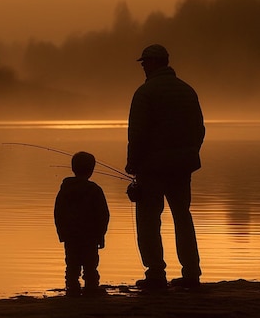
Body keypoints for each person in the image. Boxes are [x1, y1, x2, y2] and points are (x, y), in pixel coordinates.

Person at [126, 44, 205, 290]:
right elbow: (200, 130)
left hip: (151, 168)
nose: (143, 68)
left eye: (144, 63)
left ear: (152, 63)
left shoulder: (145, 93)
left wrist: (132, 163)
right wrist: (189, 153)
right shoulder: (187, 91)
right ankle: (191, 273)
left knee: (149, 220)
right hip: (182, 167)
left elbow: (137, 134)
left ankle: (156, 274)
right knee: (183, 217)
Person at [54, 151, 110, 297]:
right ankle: (91, 289)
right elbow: (103, 215)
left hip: (71, 236)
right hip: (90, 236)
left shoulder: (65, 190)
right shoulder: (95, 190)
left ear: (73, 168)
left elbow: (58, 213)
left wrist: (62, 233)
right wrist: (101, 235)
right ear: (92, 170)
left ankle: (72, 290)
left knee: (72, 266)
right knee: (90, 266)